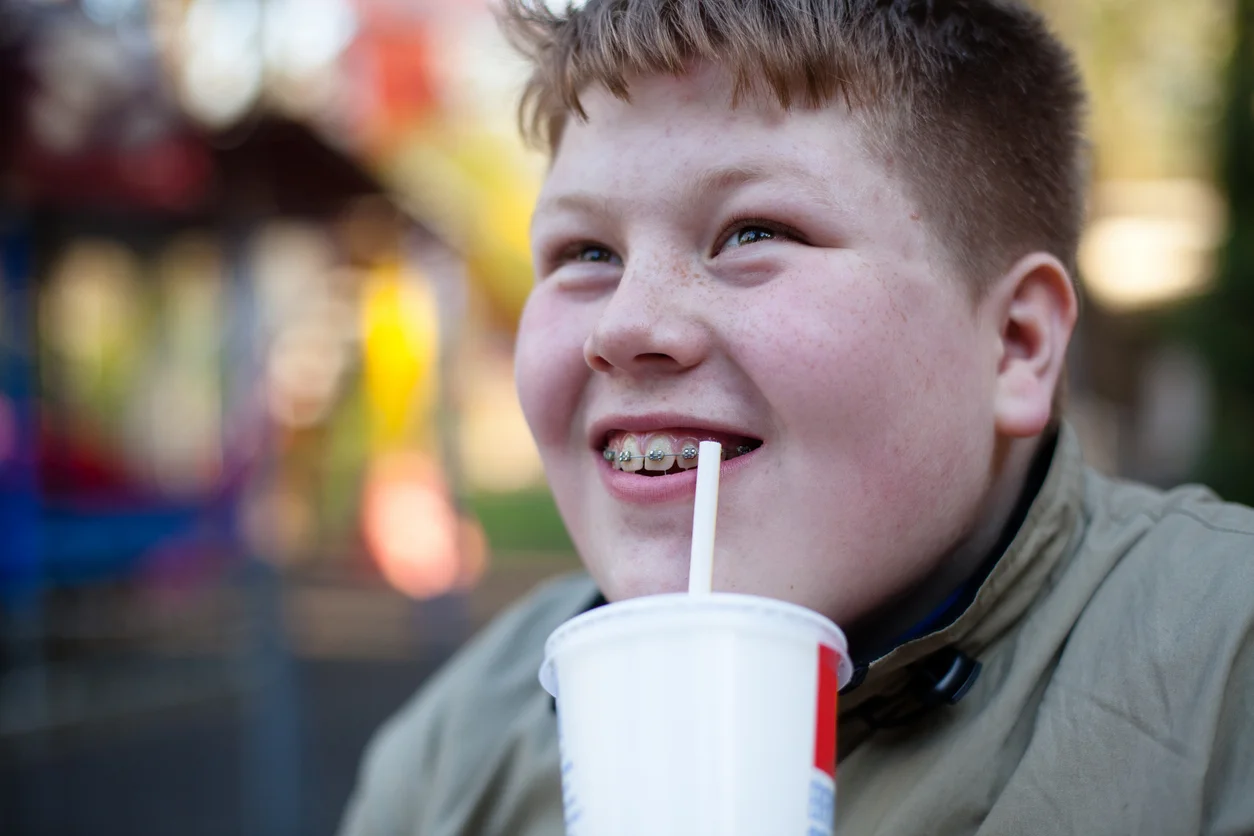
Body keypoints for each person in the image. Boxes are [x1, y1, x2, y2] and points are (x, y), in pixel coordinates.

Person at [338, 1, 1254, 833]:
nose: (624, 328)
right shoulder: (454, 750)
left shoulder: (1224, 674)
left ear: (1014, 345)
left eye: (753, 234)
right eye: (585, 252)